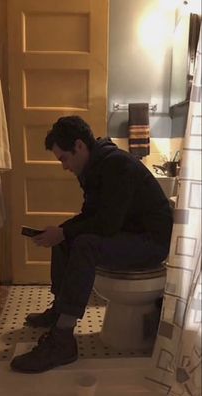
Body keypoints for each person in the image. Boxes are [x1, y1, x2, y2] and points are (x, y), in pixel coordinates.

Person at [10, 115, 173, 373]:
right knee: (67, 234)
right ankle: (59, 310)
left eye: (63, 158)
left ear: (79, 146)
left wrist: (65, 234)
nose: (63, 166)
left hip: (151, 243)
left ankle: (62, 340)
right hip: (130, 234)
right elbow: (91, 216)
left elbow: (107, 224)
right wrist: (60, 233)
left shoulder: (118, 165)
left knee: (83, 243)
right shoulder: (94, 167)